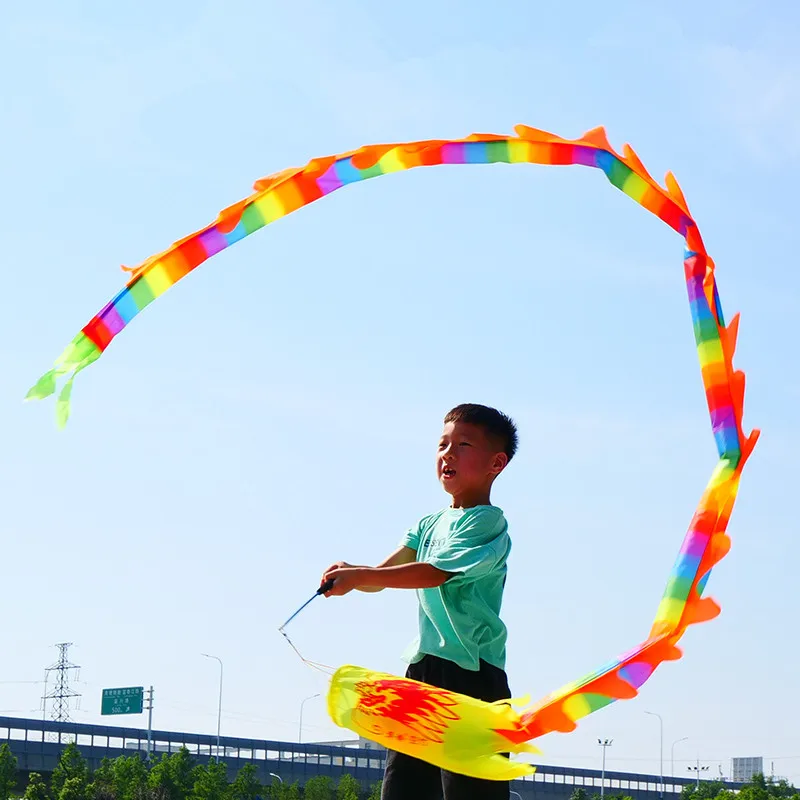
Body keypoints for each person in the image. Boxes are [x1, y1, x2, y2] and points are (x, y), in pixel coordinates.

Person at [320, 402, 518, 800]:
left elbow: (434, 572)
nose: (448, 453)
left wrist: (363, 576)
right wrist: (355, 574)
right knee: (404, 788)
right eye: (443, 444)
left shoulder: (487, 522)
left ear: (496, 463)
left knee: (470, 792)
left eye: (463, 445)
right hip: (422, 673)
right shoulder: (426, 524)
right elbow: (383, 576)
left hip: (472, 677)